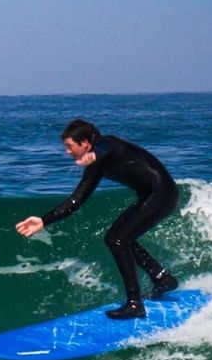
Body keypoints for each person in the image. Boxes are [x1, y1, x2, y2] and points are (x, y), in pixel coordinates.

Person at [16, 119, 179, 319]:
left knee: (119, 239)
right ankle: (162, 278)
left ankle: (135, 304)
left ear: (85, 143)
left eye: (69, 146)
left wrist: (94, 154)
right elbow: (76, 200)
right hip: (152, 196)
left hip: (163, 194)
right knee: (115, 238)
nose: (67, 151)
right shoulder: (95, 167)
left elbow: (105, 147)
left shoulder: (109, 145)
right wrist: (43, 221)